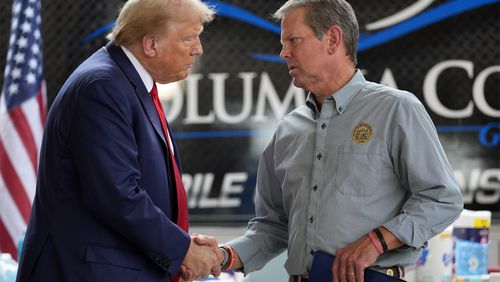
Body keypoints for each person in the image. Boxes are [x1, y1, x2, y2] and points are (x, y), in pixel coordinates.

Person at [195, 0, 463, 281]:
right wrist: (221, 256)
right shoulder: (287, 131)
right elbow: (272, 228)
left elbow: (442, 198)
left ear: (333, 39)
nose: (283, 53)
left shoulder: (396, 109)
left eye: (293, 41)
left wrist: (376, 241)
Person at [16, 0, 222, 281]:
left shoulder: (125, 83)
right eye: (190, 37)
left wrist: (177, 248)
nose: (199, 48)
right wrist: (182, 250)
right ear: (150, 44)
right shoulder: (102, 87)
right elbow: (116, 195)